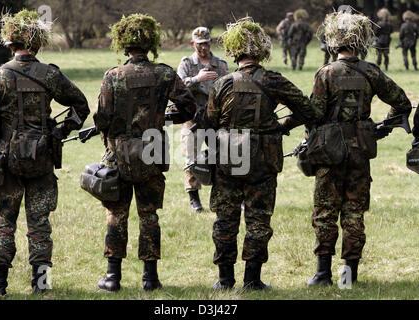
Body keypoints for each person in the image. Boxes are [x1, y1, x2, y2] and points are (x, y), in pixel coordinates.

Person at [0, 9, 90, 296]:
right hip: (41, 161)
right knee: (39, 224)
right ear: (38, 43)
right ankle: (42, 284)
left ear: (10, 43)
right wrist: (60, 133)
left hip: (7, 162)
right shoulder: (49, 74)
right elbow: (81, 106)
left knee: (4, 220)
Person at [200, 17, 315, 290]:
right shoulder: (274, 80)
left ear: (235, 52)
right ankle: (252, 280)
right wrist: (280, 126)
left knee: (225, 219)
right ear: (261, 50)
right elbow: (307, 110)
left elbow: (209, 123)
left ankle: (225, 280)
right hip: (263, 161)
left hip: (228, 160)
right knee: (259, 219)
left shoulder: (222, 83)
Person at [307, 9, 412, 286]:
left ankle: (322, 275)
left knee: (326, 212)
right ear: (360, 41)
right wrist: (382, 130)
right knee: (354, 211)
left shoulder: (326, 73)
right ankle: (349, 277)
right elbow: (402, 103)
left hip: (329, 153)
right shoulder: (371, 72)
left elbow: (314, 113)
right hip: (359, 152)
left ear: (334, 43)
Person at [93, 14, 197, 292]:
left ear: (124, 46)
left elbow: (101, 117)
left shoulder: (113, 76)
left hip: (120, 153)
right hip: (152, 151)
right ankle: (150, 278)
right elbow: (189, 106)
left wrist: (111, 136)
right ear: (150, 44)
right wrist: (166, 118)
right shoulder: (164, 73)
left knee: (117, 213)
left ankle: (112, 277)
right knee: (149, 214)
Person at [177, 27, 228, 212]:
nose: (203, 48)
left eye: (206, 44)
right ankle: (194, 198)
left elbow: (228, 88)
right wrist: (197, 79)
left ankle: (221, 195)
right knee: (191, 157)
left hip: (215, 118)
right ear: (193, 44)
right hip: (193, 118)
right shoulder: (187, 64)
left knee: (221, 157)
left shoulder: (220, 65)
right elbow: (179, 87)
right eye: (199, 45)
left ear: (210, 42)